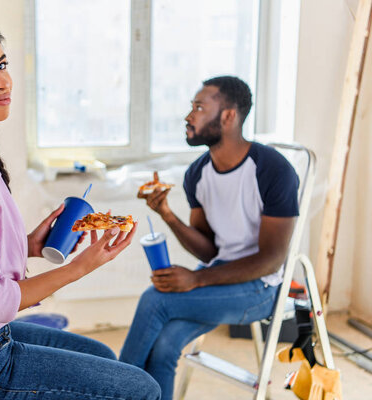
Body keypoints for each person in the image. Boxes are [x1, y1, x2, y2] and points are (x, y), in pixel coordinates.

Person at [0, 14, 161, 400]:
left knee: (101, 353)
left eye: (1, 65)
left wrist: (27, 244)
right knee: (140, 390)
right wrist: (78, 268)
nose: (2, 82)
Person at [119, 76, 299, 399]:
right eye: (191, 107)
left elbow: (272, 258)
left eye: (199, 107)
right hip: (220, 277)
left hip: (261, 287)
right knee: (165, 346)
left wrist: (197, 281)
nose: (189, 116)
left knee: (154, 299)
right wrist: (168, 215)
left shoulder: (272, 170)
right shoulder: (197, 174)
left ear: (229, 116)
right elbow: (208, 251)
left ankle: (111, 390)